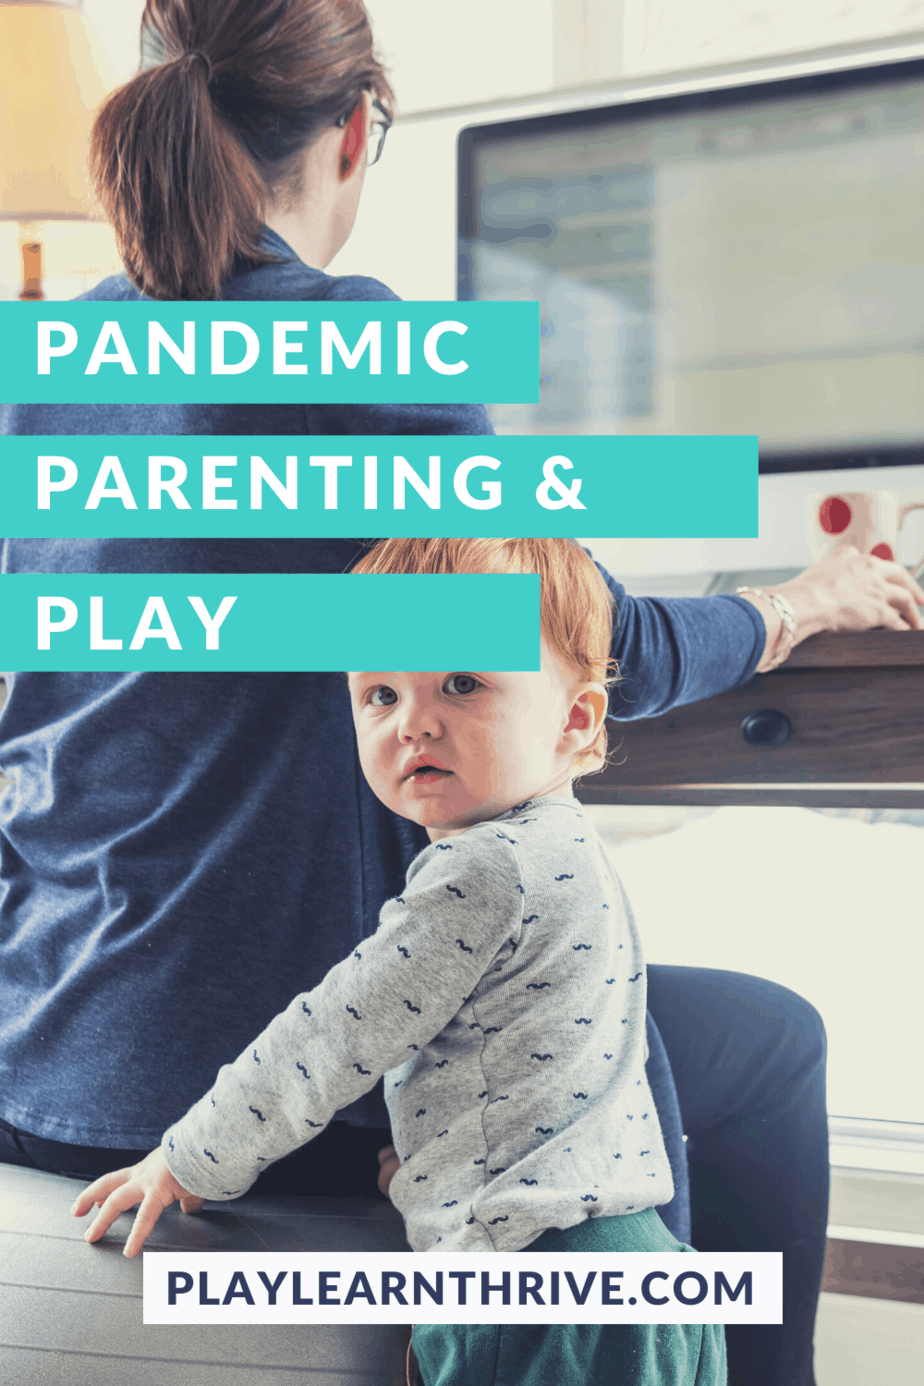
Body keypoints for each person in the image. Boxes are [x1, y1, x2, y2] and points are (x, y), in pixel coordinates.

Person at [1, 3, 922, 1384]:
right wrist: (801, 605)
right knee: (769, 1042)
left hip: (42, 1062)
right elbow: (600, 643)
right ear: (359, 126)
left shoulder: (50, 373)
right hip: (252, 1094)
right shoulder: (348, 349)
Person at [73, 537, 727, 1385]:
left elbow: (331, 1037)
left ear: (576, 719)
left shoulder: (481, 870)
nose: (413, 719)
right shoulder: (569, 851)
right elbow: (555, 1066)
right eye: (380, 693)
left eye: (463, 682)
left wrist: (191, 1156)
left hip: (531, 1295)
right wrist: (421, 1169)